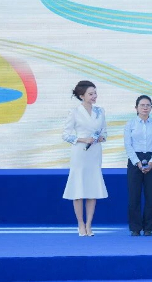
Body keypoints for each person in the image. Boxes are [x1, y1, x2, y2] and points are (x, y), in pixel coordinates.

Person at [62, 80, 108, 237]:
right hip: (80, 153)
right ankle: (80, 224)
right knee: (78, 189)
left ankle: (89, 224)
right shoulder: (74, 112)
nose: (94, 96)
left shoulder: (100, 111)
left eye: (95, 93)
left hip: (94, 153)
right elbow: (66, 135)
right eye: (91, 93)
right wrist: (82, 139)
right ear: (82, 96)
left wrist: (100, 138)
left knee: (92, 189)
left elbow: (105, 132)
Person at [124, 94, 152, 236]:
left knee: (151, 196)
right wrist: (137, 162)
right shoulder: (130, 124)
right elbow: (128, 145)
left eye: (148, 105)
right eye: (142, 105)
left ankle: (148, 228)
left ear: (151, 108)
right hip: (135, 160)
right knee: (134, 195)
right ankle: (135, 228)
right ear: (136, 107)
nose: (145, 107)